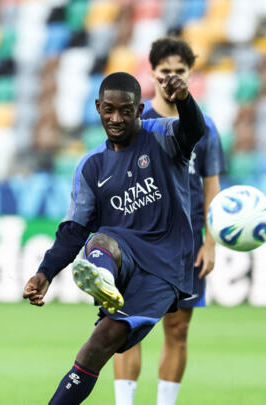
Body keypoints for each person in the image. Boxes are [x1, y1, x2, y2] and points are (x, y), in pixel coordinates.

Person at [22, 71, 209, 404]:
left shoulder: (163, 136)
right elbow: (75, 229)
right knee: (101, 238)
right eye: (109, 109)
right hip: (121, 258)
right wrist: (45, 272)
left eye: (126, 110)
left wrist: (183, 98)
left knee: (100, 343)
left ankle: (103, 279)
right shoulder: (92, 166)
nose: (116, 118)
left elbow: (194, 130)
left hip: (164, 269)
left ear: (139, 110)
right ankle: (103, 279)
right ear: (97, 107)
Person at [113, 37, 226, 405]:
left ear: (191, 75)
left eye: (180, 71)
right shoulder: (138, 123)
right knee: (126, 326)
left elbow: (212, 187)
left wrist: (210, 242)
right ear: (153, 74)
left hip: (187, 243)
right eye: (165, 71)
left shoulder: (205, 127)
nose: (172, 77)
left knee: (177, 329)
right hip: (139, 241)